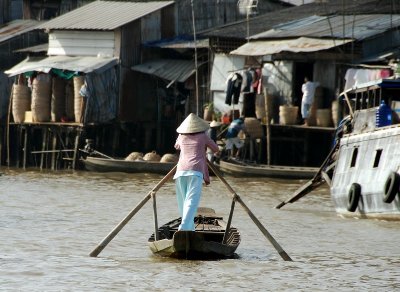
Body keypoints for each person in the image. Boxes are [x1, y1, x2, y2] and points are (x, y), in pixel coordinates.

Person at [174, 113, 220, 231]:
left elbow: (177, 146)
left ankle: (189, 228)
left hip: (180, 171)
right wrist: (203, 146)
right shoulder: (203, 136)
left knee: (183, 201)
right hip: (195, 170)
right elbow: (216, 149)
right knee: (192, 200)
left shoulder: (181, 136)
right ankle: (184, 226)